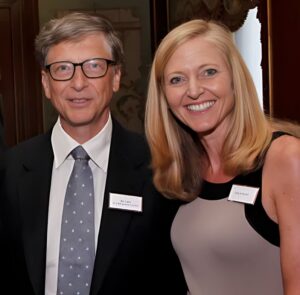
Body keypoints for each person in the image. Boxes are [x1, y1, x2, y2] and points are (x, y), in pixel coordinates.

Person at [0, 12, 186, 295]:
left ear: (116, 77)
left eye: (94, 66)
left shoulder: (160, 166)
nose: (78, 83)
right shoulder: (9, 170)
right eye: (63, 69)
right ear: (46, 83)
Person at [145, 19, 300, 295]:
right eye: (177, 79)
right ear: (163, 95)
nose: (193, 90)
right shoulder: (177, 173)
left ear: (234, 78)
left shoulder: (285, 158)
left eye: (208, 72)